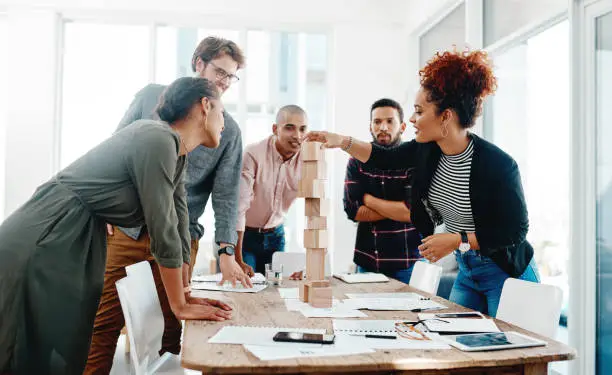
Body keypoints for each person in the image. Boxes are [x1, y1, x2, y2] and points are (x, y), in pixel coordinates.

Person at [0, 77, 233, 375]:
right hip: (47, 232)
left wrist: (184, 293)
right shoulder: (157, 138)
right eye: (222, 112)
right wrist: (179, 305)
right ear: (205, 105)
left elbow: (179, 221)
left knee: (58, 345)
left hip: (73, 236)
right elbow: (162, 227)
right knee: (24, 348)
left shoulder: (175, 152)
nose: (224, 122)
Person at [304, 49, 540, 317]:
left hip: (507, 272)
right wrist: (341, 141)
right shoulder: (426, 151)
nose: (412, 120)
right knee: (454, 346)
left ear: (446, 117)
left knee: (513, 353)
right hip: (468, 268)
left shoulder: (498, 165)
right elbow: (384, 158)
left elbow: (515, 231)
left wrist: (457, 239)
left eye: (418, 111)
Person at [85, 37, 251, 374]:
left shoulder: (228, 129)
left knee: (173, 327)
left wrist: (226, 249)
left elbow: (225, 195)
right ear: (198, 63)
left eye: (230, 77)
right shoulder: (151, 99)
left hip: (179, 235)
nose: (222, 82)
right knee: (103, 325)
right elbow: (114, 149)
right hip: (128, 230)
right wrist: (101, 208)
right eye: (219, 71)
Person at [344, 98, 422, 284]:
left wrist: (369, 200)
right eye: (377, 122)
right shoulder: (357, 160)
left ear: (402, 127)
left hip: (408, 263)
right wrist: (396, 208)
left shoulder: (415, 159)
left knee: (410, 313)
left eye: (389, 121)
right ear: (370, 127)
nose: (383, 127)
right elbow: (352, 210)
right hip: (368, 261)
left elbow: (411, 213)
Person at [235, 105, 308, 275]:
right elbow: (239, 206)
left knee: (276, 290)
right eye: (289, 128)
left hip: (276, 235)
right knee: (247, 289)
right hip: (245, 237)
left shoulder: (308, 158)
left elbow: (316, 209)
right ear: (275, 129)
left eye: (302, 129)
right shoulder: (253, 154)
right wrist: (237, 259)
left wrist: (310, 266)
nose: (297, 136)